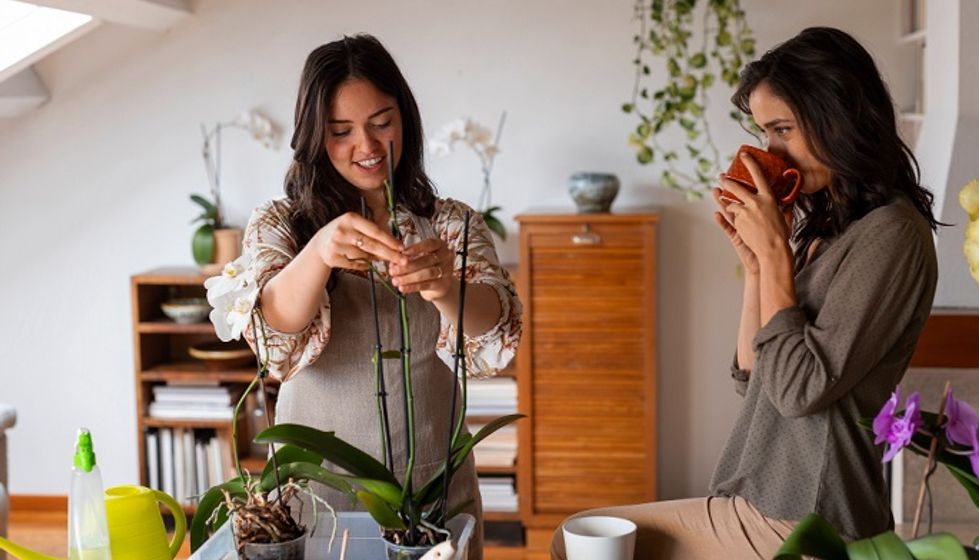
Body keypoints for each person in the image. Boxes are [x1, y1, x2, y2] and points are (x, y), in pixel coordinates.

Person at [551, 26, 939, 559]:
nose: (771, 150)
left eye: (782, 129)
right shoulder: (831, 229)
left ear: (838, 117)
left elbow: (799, 392)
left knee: (578, 540)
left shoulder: (892, 234)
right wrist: (757, 267)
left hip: (809, 516)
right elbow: (754, 378)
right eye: (764, 132)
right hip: (761, 499)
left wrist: (777, 255)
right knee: (584, 540)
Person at [243, 34, 522, 560]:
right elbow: (273, 336)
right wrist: (320, 251)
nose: (367, 146)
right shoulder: (280, 224)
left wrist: (445, 288)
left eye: (381, 122)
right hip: (317, 495)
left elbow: (494, 329)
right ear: (313, 136)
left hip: (433, 493)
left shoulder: (450, 223)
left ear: (405, 119)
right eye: (341, 131)